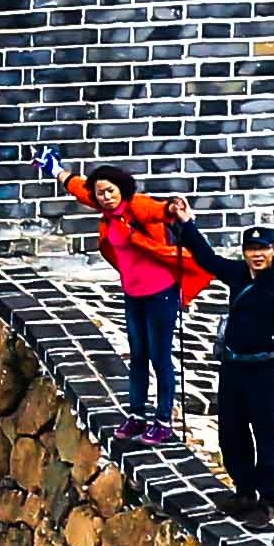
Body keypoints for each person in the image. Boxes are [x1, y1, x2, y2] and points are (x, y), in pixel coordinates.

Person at [179, 219, 274, 513]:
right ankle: (244, 489)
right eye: (251, 249)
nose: (257, 255)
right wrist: (187, 224)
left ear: (273, 251)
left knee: (265, 433)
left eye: (263, 249)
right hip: (233, 368)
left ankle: (268, 498)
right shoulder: (235, 274)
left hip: (264, 371)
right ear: (244, 252)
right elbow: (206, 258)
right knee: (231, 431)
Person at [45, 156, 195, 431]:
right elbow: (79, 187)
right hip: (133, 293)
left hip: (161, 293)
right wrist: (54, 169)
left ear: (122, 190)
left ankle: (163, 420)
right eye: (100, 193)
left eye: (110, 191)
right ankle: (136, 415)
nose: (105, 197)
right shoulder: (105, 206)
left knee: (160, 356)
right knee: (138, 354)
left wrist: (172, 207)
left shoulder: (136, 206)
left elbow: (157, 210)